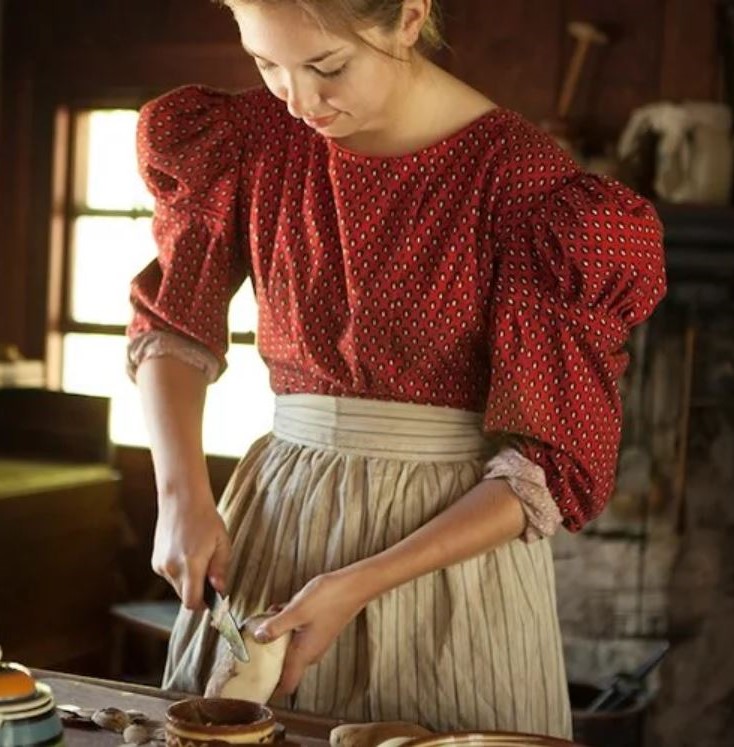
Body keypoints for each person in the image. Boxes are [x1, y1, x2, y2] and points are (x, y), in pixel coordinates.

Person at [127, 0, 666, 738]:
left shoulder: (525, 186)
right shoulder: (247, 140)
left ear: (410, 18)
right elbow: (172, 323)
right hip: (276, 527)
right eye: (265, 63)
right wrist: (181, 491)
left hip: (447, 566)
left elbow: (549, 468)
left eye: (327, 67)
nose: (300, 99)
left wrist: (361, 583)